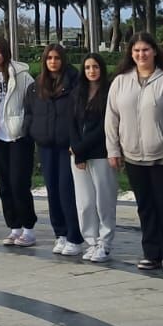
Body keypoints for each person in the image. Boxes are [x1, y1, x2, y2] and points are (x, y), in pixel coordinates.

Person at [105, 32, 163, 272]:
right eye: (137, 51)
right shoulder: (120, 81)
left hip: (162, 157)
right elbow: (111, 117)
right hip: (132, 155)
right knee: (145, 206)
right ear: (131, 53)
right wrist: (113, 149)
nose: (141, 55)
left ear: (155, 51)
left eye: (146, 50)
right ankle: (151, 253)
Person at [24, 42, 83, 256]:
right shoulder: (37, 85)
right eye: (49, 58)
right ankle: (61, 234)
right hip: (46, 146)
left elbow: (79, 114)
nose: (53, 62)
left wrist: (75, 141)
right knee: (53, 192)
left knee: (67, 191)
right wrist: (34, 131)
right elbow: (30, 112)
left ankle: (75, 236)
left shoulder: (74, 83)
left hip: (67, 147)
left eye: (57, 58)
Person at [0, 37, 36, 246]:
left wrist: (24, 126)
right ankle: (14, 226)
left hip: (18, 137)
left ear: (6, 52)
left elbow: (32, 104)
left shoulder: (22, 76)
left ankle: (28, 228)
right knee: (4, 186)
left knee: (19, 184)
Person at [70, 53, 115, 262]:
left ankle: (105, 243)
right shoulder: (77, 93)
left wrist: (82, 148)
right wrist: (77, 149)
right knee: (85, 202)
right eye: (87, 67)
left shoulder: (109, 92)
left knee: (104, 201)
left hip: (100, 154)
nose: (91, 71)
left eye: (95, 67)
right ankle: (91, 241)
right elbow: (71, 123)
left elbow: (104, 127)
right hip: (79, 156)